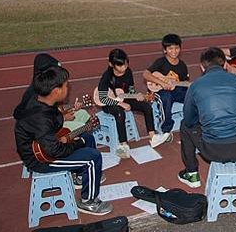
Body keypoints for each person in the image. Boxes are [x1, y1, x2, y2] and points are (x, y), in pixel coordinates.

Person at [14, 65, 113, 215]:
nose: (68, 88)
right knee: (93, 157)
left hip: (48, 145)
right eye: (66, 86)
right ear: (56, 91)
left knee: (87, 137)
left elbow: (54, 122)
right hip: (41, 159)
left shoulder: (41, 101)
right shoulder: (41, 119)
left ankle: (81, 177)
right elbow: (54, 151)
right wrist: (76, 143)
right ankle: (89, 201)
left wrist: (73, 136)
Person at [177, 47, 236, 188]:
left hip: (212, 150)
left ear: (202, 67)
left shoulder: (195, 86)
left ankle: (192, 173)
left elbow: (190, 120)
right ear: (225, 64)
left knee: (184, 125)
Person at [95, 48, 164, 155]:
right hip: (109, 103)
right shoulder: (107, 77)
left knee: (146, 106)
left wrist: (136, 96)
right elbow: (102, 98)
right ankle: (123, 145)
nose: (124, 67)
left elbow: (130, 91)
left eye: (125, 64)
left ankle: (153, 136)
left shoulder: (128, 72)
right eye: (120, 65)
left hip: (124, 98)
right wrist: (120, 103)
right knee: (119, 113)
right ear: (111, 64)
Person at [13, 53, 90, 130]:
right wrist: (63, 119)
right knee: (82, 127)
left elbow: (57, 110)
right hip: (46, 129)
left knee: (83, 114)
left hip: (55, 120)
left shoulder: (51, 87)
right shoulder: (34, 95)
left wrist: (73, 108)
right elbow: (37, 119)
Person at [143, 34, 190, 147]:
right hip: (160, 91)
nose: (174, 51)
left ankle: (193, 123)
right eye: (170, 48)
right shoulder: (161, 62)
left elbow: (185, 83)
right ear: (165, 50)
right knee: (166, 98)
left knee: (191, 96)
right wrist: (162, 83)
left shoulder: (182, 65)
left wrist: (190, 86)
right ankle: (166, 130)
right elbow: (146, 74)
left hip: (176, 90)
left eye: (176, 48)